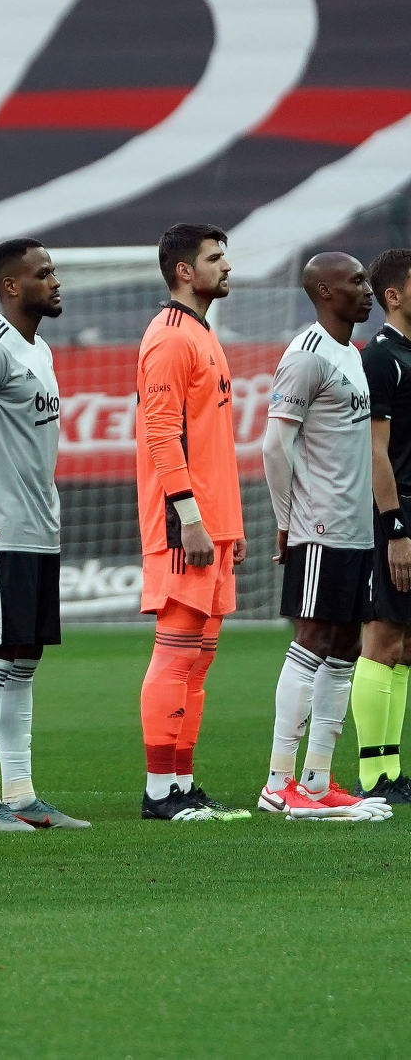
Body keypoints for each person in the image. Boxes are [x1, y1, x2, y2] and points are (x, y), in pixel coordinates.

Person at [0, 237, 88, 831]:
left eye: (54, 271)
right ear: (10, 286)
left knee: (23, 663)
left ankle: (22, 794)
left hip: (37, 529)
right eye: (43, 273)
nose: (55, 282)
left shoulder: (40, 350)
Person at [260, 252, 389, 821]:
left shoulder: (352, 356)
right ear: (322, 291)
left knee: (345, 649)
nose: (367, 291)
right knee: (311, 642)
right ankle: (277, 781)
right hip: (319, 526)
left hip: (355, 529)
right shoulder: (306, 354)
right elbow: (273, 445)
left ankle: (315, 781)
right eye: (355, 282)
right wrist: (286, 519)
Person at [133, 223, 249, 823]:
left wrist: (230, 524)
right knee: (175, 655)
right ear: (184, 270)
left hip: (214, 523)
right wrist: (190, 515)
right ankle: (158, 792)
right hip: (186, 525)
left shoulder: (203, 333)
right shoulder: (170, 337)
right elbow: (160, 432)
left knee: (198, 660)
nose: (226, 266)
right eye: (214, 257)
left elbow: (207, 438)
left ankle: (181, 784)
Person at [352, 248, 411, 802]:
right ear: (392, 296)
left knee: (408, 644)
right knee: (382, 639)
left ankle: (394, 771)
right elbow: (376, 452)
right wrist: (394, 527)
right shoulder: (382, 358)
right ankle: (374, 773)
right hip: (397, 512)